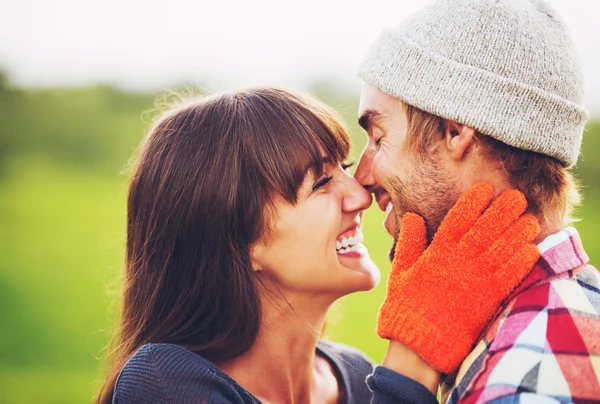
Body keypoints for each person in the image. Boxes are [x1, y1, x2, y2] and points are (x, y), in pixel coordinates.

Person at [354, 0, 600, 402]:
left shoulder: (528, 373)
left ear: (455, 133)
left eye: (379, 138)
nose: (360, 178)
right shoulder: (545, 315)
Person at [96, 87, 381, 404]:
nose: (361, 196)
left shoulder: (361, 378)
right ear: (237, 238)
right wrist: (410, 364)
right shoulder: (165, 384)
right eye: (322, 182)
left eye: (345, 166)